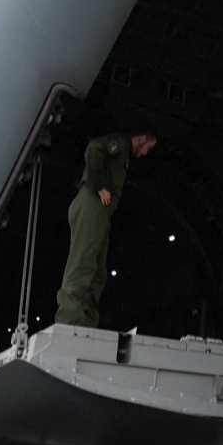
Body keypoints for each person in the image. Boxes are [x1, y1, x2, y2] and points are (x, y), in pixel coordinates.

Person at [55, 124, 157, 327]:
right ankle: (70, 320)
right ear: (142, 138)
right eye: (148, 147)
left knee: (97, 273)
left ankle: (86, 323)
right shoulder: (121, 142)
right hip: (92, 204)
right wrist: (99, 185)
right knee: (82, 263)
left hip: (101, 212)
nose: (146, 153)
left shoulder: (124, 153)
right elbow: (94, 147)